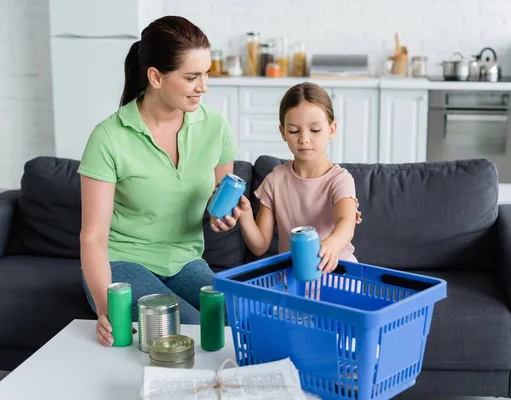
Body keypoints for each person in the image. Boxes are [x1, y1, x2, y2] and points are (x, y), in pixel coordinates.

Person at [78, 16, 241, 347]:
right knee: (195, 333)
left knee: (238, 320)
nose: (203, 87)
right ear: (155, 77)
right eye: (191, 77)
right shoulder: (108, 137)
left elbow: (217, 199)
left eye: (206, 74)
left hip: (184, 260)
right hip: (121, 263)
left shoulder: (215, 126)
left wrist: (222, 214)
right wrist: (105, 306)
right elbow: (93, 237)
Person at [236, 82, 362, 273]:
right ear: (283, 132)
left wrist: (330, 245)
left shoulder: (340, 180)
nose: (304, 139)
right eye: (294, 130)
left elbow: (346, 222)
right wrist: (245, 215)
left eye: (315, 130)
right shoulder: (274, 180)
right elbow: (259, 246)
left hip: (338, 275)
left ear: (332, 130)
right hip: (294, 279)